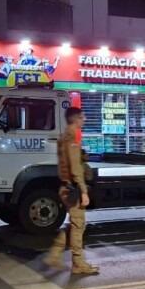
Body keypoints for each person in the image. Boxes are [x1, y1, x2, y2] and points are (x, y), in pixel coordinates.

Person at [43, 107, 99, 275]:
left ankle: (54, 254)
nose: (85, 119)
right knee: (79, 224)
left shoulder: (64, 137)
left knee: (74, 224)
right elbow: (75, 168)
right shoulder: (71, 138)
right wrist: (83, 191)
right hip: (73, 188)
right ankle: (78, 263)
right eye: (83, 117)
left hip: (65, 187)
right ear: (75, 119)